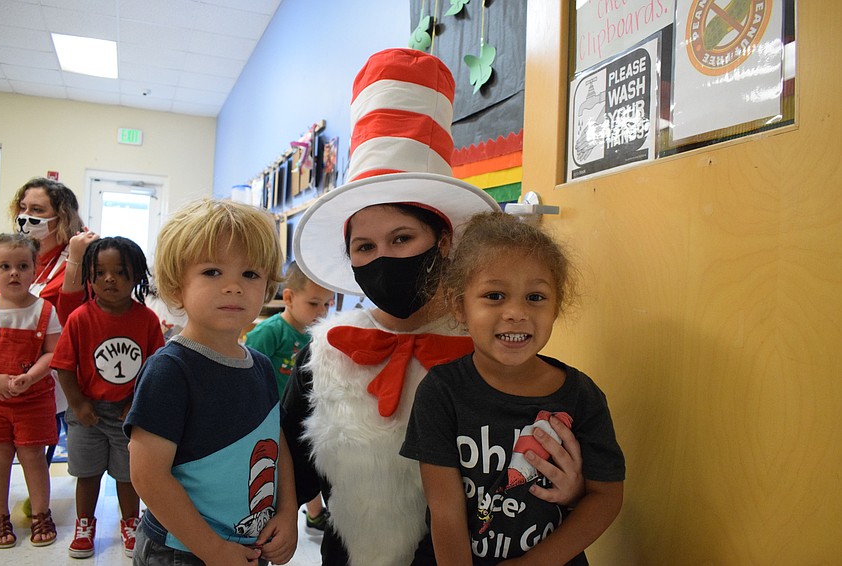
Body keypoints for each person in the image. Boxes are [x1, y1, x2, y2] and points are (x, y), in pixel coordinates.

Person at [280, 48, 584, 566]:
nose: (383, 258)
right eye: (364, 247)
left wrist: (569, 487)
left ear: (443, 241)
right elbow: (291, 459)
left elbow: (532, 467)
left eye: (402, 238)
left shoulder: (493, 341)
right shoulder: (327, 351)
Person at [401, 212, 626, 565]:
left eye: (535, 297)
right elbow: (445, 509)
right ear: (459, 305)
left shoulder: (582, 395)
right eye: (495, 295)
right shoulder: (441, 392)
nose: (516, 312)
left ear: (556, 306)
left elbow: (606, 496)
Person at [125, 199, 298, 566]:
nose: (234, 286)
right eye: (212, 271)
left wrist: (288, 511)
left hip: (250, 544)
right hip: (182, 551)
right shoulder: (170, 370)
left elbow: (275, 441)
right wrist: (213, 550)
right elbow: (147, 474)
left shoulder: (261, 366)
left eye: (250, 274)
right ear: (177, 287)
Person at [51, 236, 165, 559]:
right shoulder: (80, 318)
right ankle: (84, 525)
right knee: (87, 474)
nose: (109, 279)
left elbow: (155, 368)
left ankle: (130, 523)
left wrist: (136, 403)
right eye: (100, 272)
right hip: (87, 412)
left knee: (128, 475)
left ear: (137, 276)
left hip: (128, 414)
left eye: (120, 272)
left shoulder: (147, 320)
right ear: (89, 277)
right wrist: (77, 404)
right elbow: (64, 366)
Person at [8, 177, 98, 468]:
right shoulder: (24, 256)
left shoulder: (80, 256)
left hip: (59, 370)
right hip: (16, 359)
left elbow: (70, 314)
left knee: (47, 449)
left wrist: (75, 258)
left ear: (61, 217)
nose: (26, 217)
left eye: (37, 210)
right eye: (23, 208)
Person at [244, 261, 335, 535]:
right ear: (289, 298)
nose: (322, 312)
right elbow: (247, 372)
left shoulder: (319, 336)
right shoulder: (270, 332)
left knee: (310, 463)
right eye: (314, 304)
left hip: (303, 416)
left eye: (327, 305)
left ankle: (315, 514)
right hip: (271, 417)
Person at [0, 233, 61, 549]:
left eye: (22, 266)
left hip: (33, 399)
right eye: (5, 266)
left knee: (33, 455)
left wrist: (31, 377)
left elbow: (52, 352)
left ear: (35, 269)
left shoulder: (44, 310)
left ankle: (40, 514)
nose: (14, 273)